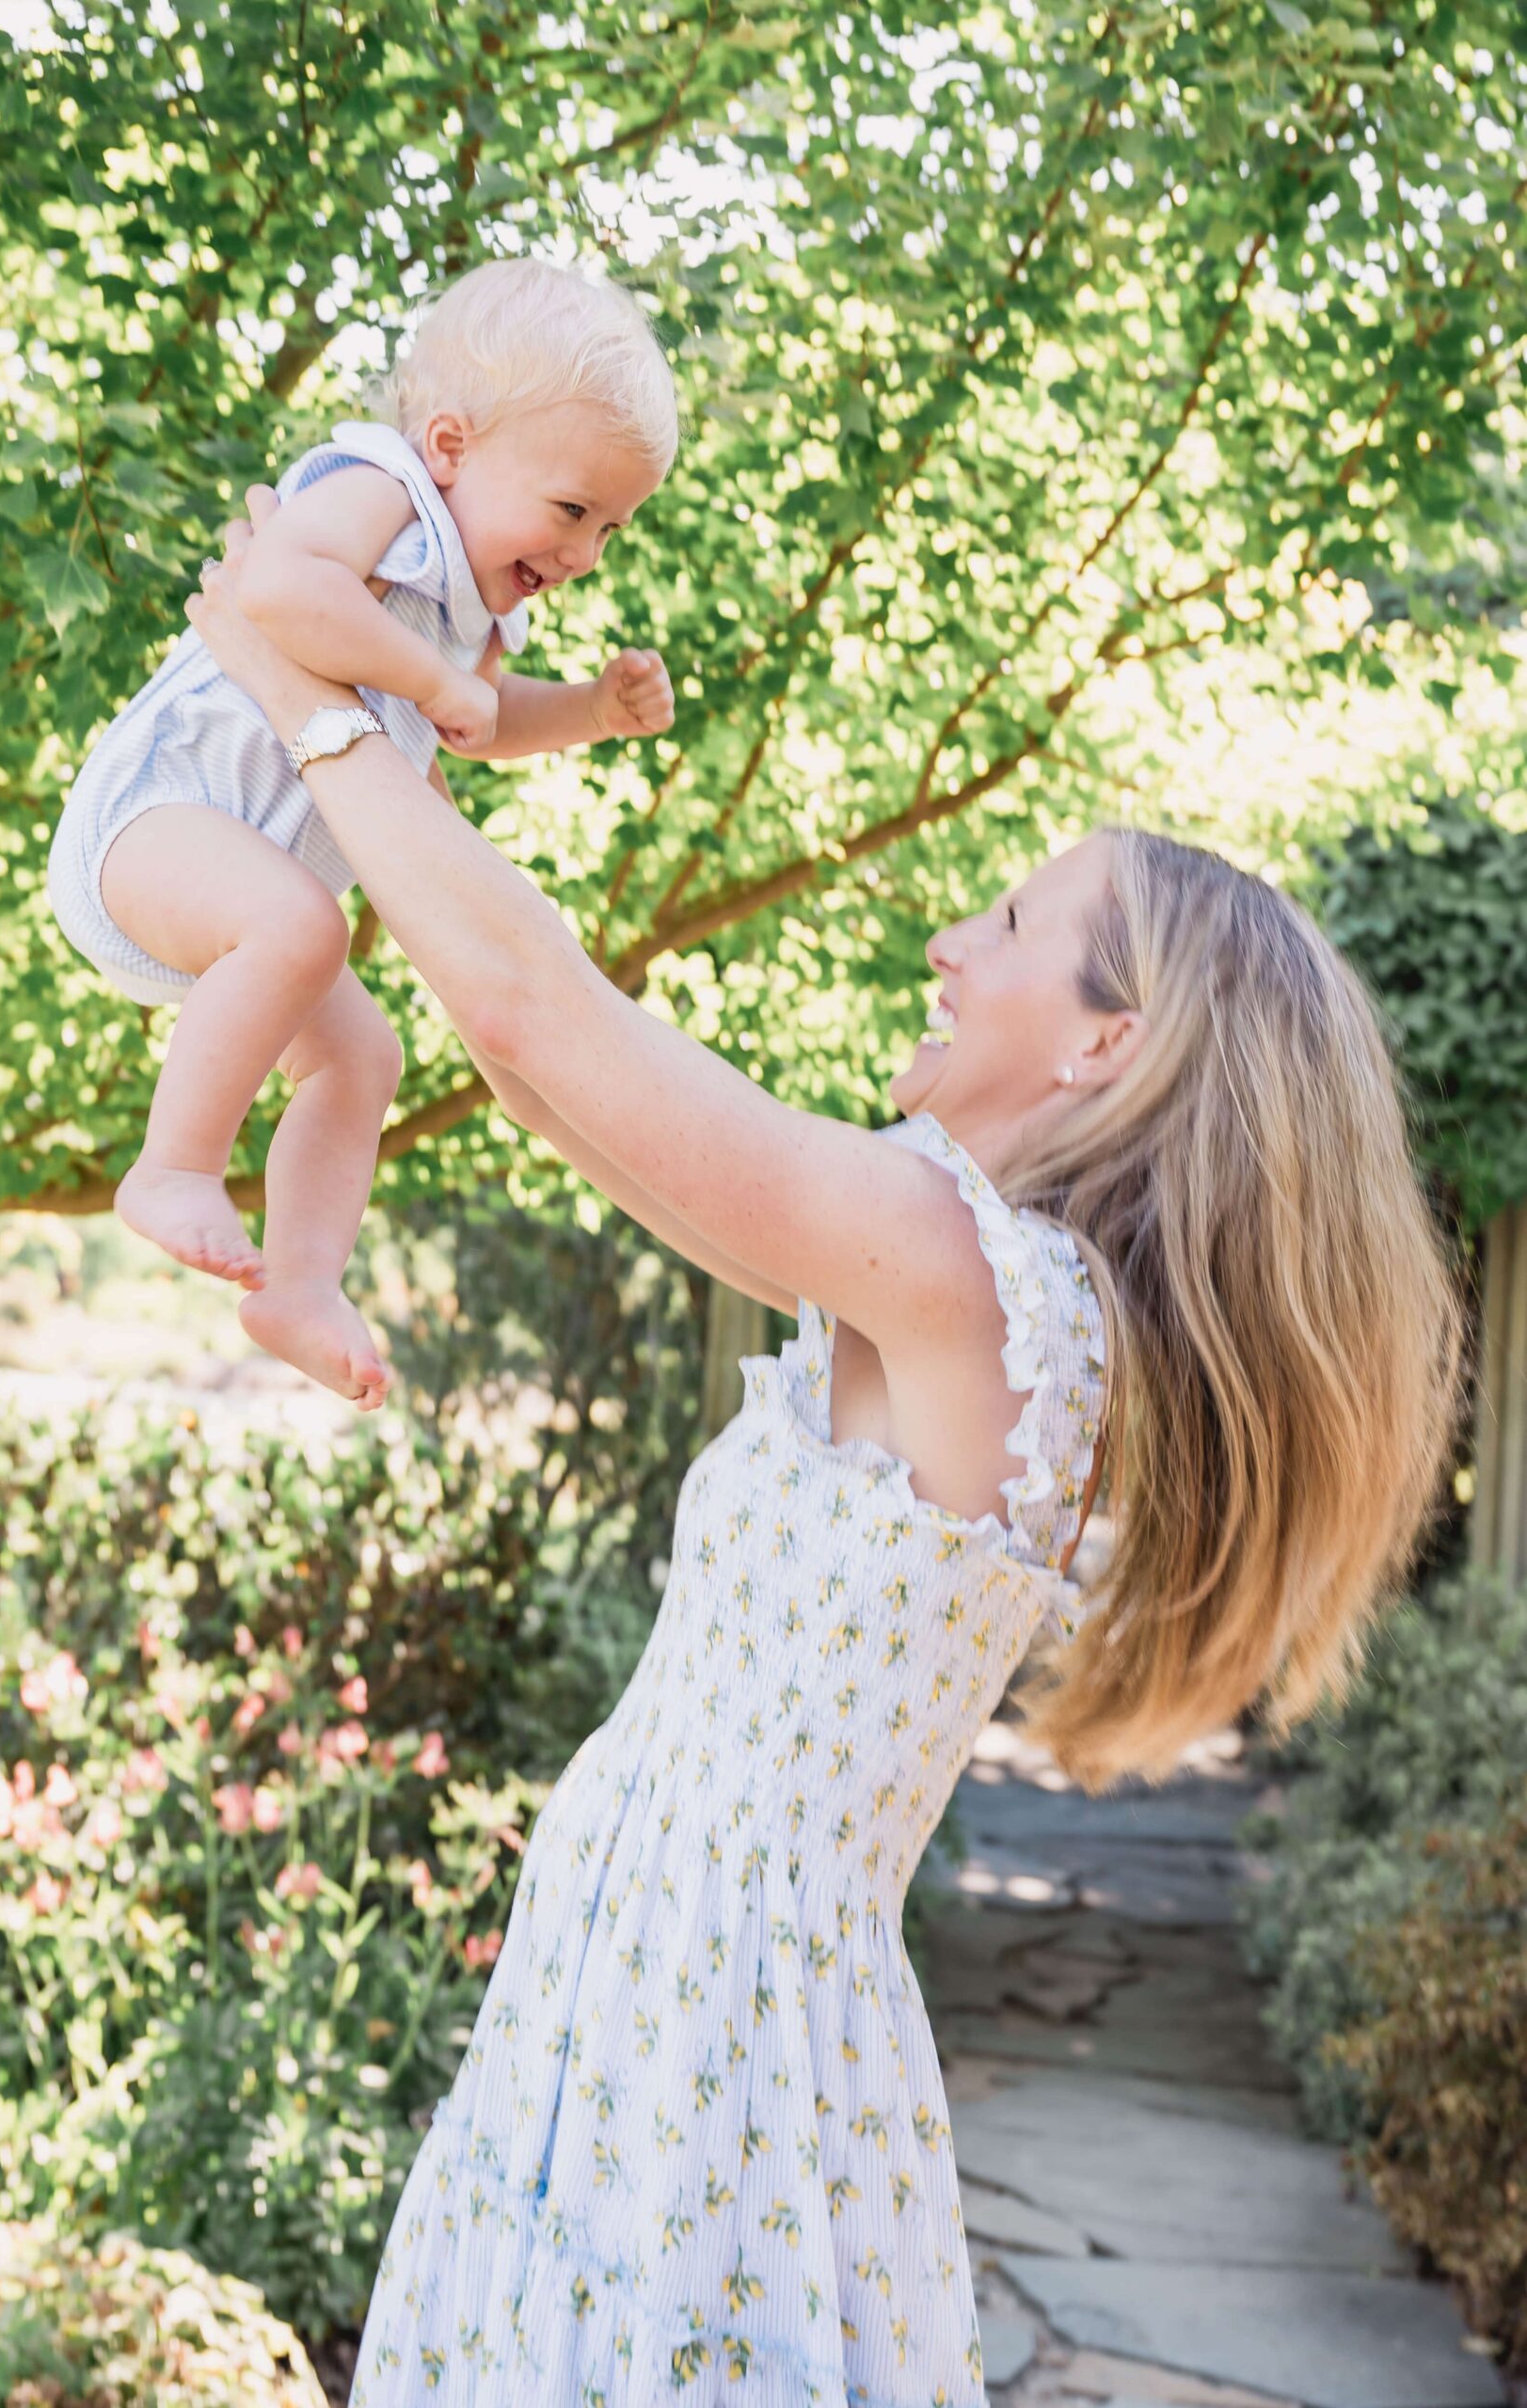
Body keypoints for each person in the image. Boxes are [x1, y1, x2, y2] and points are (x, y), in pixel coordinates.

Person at [184, 495, 1461, 2404]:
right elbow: (544, 1072)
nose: (951, 938)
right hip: (678, 1997)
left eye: (1012, 922)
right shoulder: (968, 1283)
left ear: (1106, 1045)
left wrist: (307, 697)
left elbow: (545, 998)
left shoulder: (968, 1274)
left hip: (707, 2028)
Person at [46, 258, 677, 1409]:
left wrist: (588, 708)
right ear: (450, 444)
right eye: (573, 509)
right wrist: (432, 674)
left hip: (231, 891)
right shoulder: (378, 485)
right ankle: (172, 1166)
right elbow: (280, 590)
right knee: (305, 927)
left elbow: (472, 722)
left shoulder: (475, 602)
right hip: (151, 822)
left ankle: (300, 1282)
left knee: (364, 1054)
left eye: (613, 529)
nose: (585, 551)